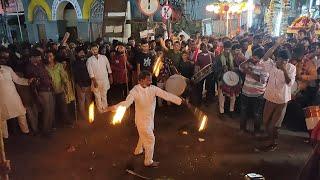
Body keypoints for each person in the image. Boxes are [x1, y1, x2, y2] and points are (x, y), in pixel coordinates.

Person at [111, 71, 183, 167]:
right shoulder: (135, 91)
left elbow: (166, 95)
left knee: (143, 135)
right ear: (140, 81)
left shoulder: (153, 89)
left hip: (149, 119)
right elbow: (127, 102)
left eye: (150, 79)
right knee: (150, 139)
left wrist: (179, 100)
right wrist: (116, 107)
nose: (150, 81)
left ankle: (138, 150)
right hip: (141, 121)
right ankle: (148, 161)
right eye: (148, 79)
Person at [258, 39, 296, 151]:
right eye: (282, 60)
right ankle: (269, 136)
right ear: (278, 58)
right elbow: (265, 57)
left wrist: (284, 70)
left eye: (286, 61)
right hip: (269, 97)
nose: (284, 62)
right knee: (265, 121)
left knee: (274, 125)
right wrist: (276, 45)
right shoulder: (272, 65)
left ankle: (273, 143)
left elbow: (289, 83)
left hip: (281, 100)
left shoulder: (291, 68)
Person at [0, 50, 31, 138]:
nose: (3, 60)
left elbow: (17, 79)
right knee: (2, 118)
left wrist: (28, 81)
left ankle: (25, 131)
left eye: (5, 58)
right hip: (1, 99)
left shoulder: (8, 69)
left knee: (21, 113)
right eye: (2, 57)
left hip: (13, 96)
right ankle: (5, 137)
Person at [25, 49, 55, 137]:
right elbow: (33, 80)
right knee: (46, 110)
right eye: (37, 57)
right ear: (32, 58)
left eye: (39, 57)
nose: (39, 59)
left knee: (51, 109)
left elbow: (45, 73)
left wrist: (49, 79)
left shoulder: (40, 64)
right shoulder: (29, 67)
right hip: (41, 90)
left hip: (48, 88)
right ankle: (46, 131)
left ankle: (49, 128)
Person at [239, 47, 269, 134]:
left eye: (255, 57)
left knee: (257, 114)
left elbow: (263, 80)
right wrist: (247, 61)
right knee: (243, 111)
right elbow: (241, 68)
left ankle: (256, 131)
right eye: (253, 56)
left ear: (261, 57)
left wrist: (249, 72)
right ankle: (242, 128)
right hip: (245, 92)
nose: (253, 59)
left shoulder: (265, 65)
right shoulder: (250, 62)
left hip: (258, 94)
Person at [86, 43, 113, 113]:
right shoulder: (89, 60)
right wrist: (94, 81)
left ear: (98, 49)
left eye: (95, 49)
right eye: (93, 49)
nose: (94, 51)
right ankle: (100, 111)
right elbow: (90, 72)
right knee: (97, 97)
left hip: (104, 80)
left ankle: (105, 109)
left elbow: (108, 67)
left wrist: (111, 77)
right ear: (90, 51)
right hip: (96, 81)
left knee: (104, 95)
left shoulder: (104, 57)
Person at [215, 41, 237, 118]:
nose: (227, 51)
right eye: (226, 49)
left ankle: (231, 110)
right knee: (221, 96)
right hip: (222, 79)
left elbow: (235, 67)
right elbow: (214, 69)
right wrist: (222, 68)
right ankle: (221, 112)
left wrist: (232, 69)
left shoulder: (232, 57)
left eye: (229, 49)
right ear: (223, 48)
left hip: (230, 79)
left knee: (232, 96)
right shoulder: (218, 57)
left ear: (230, 49)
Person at [72, 46, 92, 120]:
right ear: (77, 53)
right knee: (81, 101)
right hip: (81, 85)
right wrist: (81, 85)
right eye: (80, 52)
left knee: (89, 100)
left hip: (88, 84)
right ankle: (83, 116)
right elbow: (76, 75)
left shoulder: (87, 61)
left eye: (83, 52)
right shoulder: (75, 63)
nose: (82, 54)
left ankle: (90, 114)